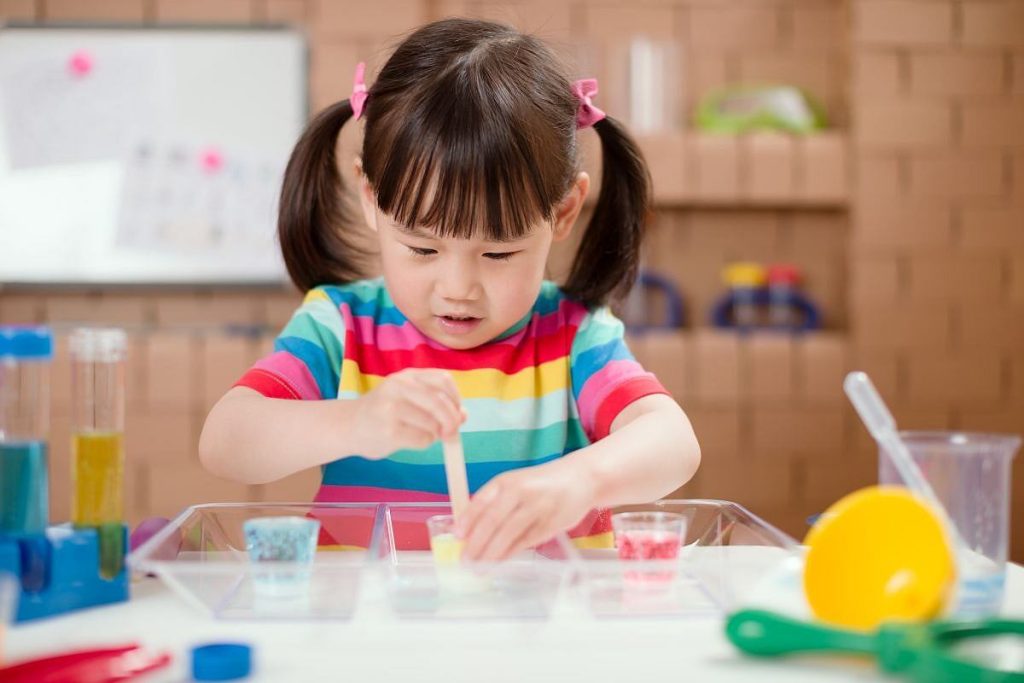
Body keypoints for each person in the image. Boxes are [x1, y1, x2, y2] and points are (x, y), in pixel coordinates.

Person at [199, 18, 700, 561]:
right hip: (366, 630)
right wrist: (356, 422)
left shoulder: (574, 336)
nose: (458, 288)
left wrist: (579, 481)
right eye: (423, 249)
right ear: (372, 199)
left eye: (498, 253)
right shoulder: (339, 329)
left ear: (563, 213)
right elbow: (226, 442)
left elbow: (674, 443)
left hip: (539, 630)